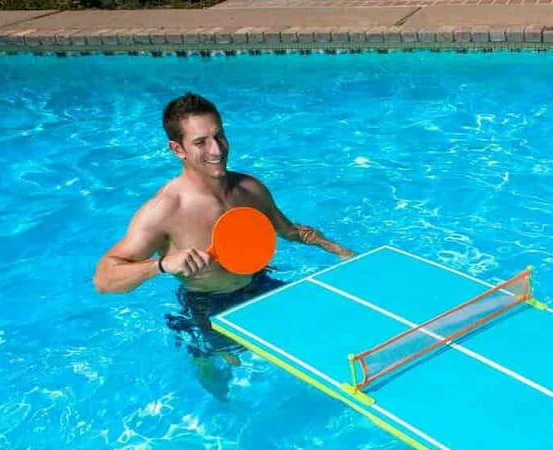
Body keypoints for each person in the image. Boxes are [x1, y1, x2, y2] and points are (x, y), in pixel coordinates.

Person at [93, 92, 356, 396]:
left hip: (259, 284)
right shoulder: (164, 210)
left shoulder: (249, 189)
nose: (216, 149)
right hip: (209, 306)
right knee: (225, 377)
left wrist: (337, 250)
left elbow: (288, 230)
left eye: (219, 136)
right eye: (200, 142)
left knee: (324, 331)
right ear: (177, 149)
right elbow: (104, 279)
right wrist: (162, 265)